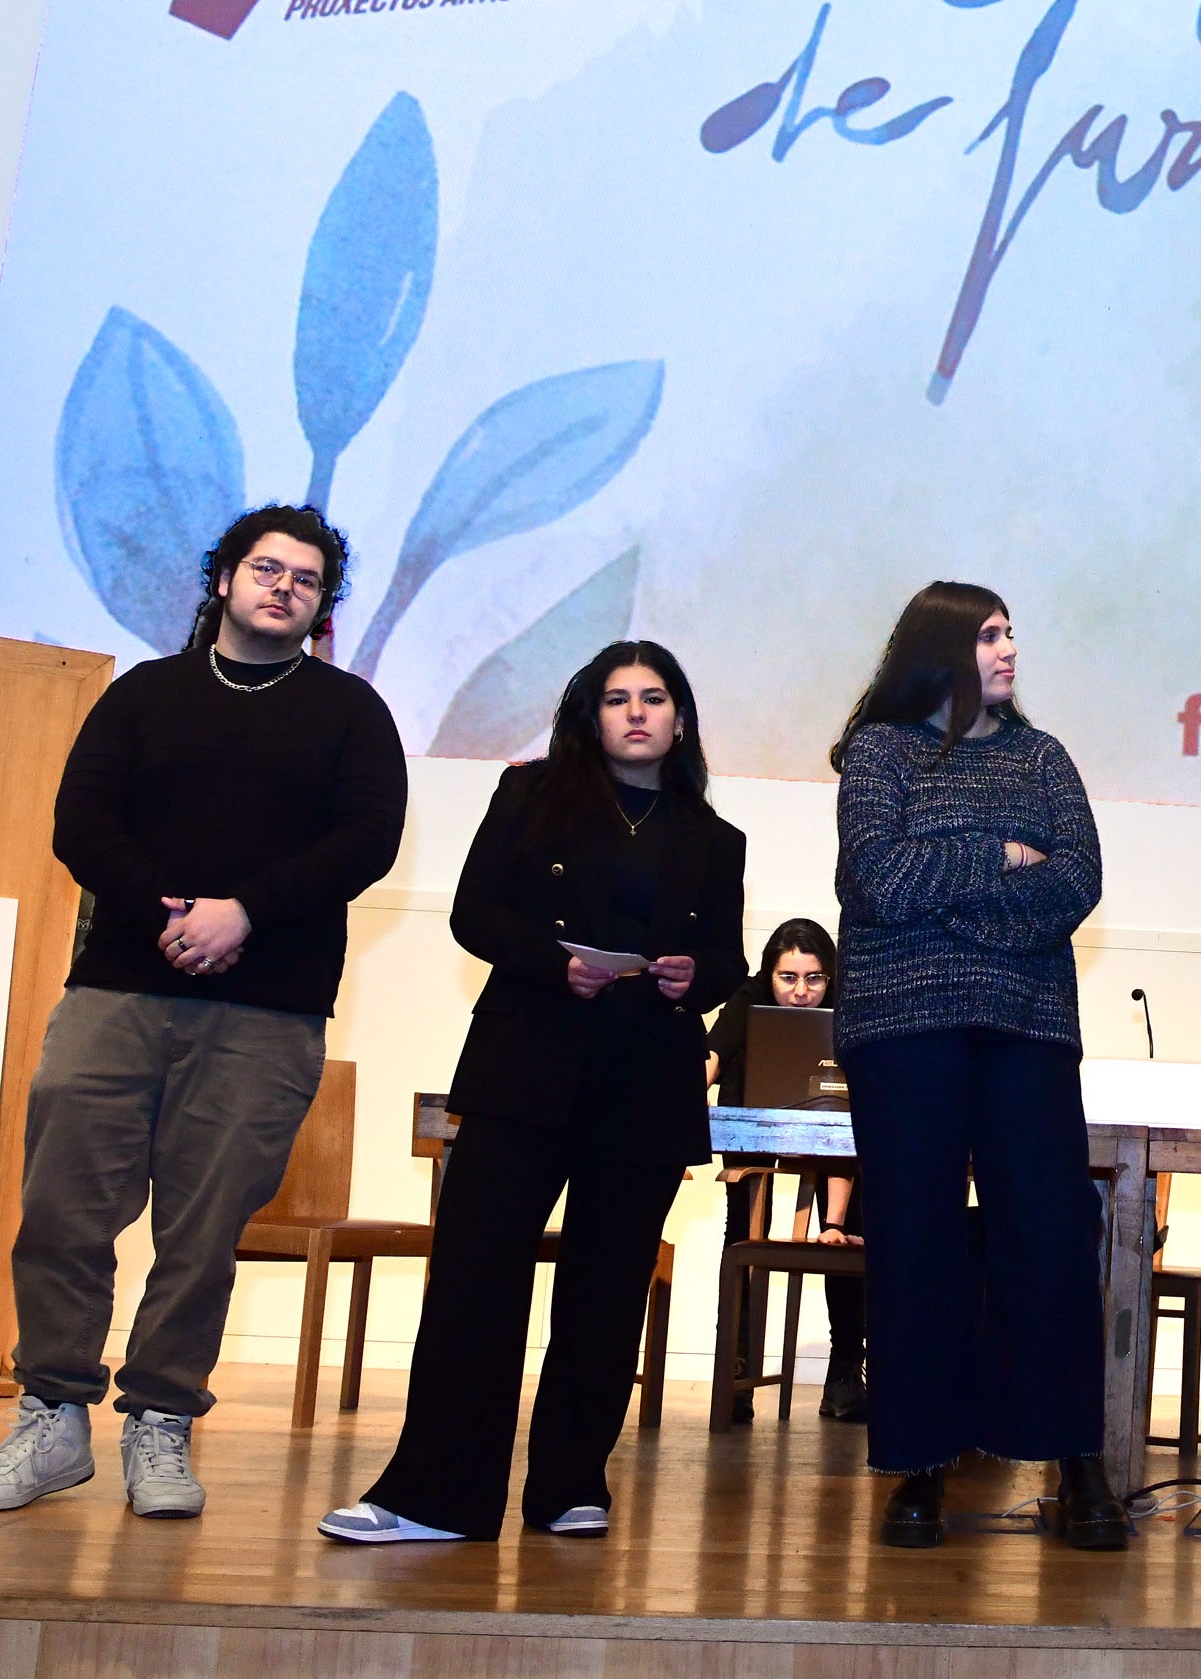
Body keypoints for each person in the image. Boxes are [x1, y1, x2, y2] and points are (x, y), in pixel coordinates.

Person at [0, 505, 407, 1518]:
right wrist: (169, 912)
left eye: (306, 578)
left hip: (269, 1009)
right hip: (119, 988)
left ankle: (161, 1419)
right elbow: (81, 822)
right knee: (64, 1208)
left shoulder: (352, 713)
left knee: (202, 1232)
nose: (283, 587)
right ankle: (52, 1416)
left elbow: (366, 840)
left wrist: (246, 911)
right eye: (266, 568)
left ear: (323, 606)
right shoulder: (145, 693)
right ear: (223, 578)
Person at [318, 642, 745, 1543]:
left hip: (646, 1078)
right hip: (527, 1064)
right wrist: (555, 964)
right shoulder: (529, 795)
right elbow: (475, 912)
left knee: (607, 1290)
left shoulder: (714, 838)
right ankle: (436, 1496)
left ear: (680, 718)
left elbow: (728, 961)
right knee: (475, 1277)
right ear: (590, 714)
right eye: (617, 698)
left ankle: (570, 1485)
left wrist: (692, 975)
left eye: (655, 697)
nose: (637, 712)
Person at [828, 581, 1122, 1551]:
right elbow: (876, 877)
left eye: (1010, 633)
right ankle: (920, 1464)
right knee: (916, 1240)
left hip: (1027, 1023)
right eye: (989, 635)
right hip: (901, 1024)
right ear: (940, 649)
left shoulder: (1043, 757)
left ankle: (1074, 1457)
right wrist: (1000, 853)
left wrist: (948, 896)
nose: (1008, 649)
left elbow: (1075, 881)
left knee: (1049, 1234)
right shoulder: (880, 752)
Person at [708, 918, 867, 1423]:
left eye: (814, 978)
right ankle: (737, 1365)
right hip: (756, 1128)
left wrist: (833, 1220)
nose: (801, 992)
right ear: (770, 974)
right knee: (742, 1228)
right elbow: (713, 1054)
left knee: (850, 1228)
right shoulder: (750, 995)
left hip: (836, 1137)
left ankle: (846, 1368)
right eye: (788, 978)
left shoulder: (848, 1002)